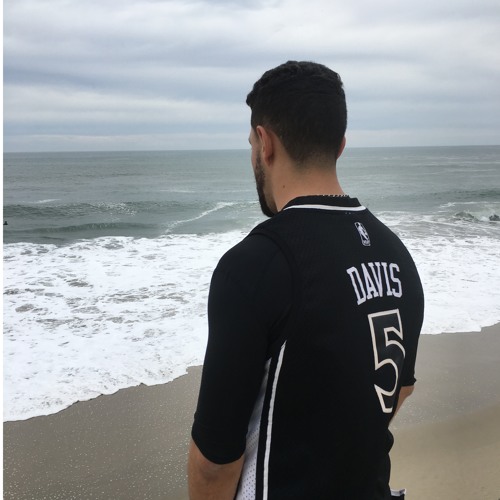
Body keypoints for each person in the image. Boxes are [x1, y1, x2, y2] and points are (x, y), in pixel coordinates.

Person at [188, 61, 424, 500]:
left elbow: (214, 464)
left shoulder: (254, 265)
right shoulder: (396, 253)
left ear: (265, 142)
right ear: (340, 145)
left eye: (251, 143)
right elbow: (399, 387)